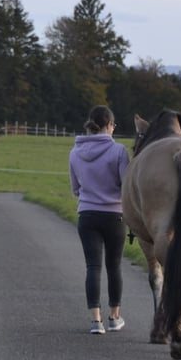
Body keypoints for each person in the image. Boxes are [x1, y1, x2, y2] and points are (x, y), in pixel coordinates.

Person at [69, 105, 130, 335]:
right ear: (110, 126)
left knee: (92, 266)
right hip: (115, 215)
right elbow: (126, 186)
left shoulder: (75, 152)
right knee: (114, 266)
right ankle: (114, 317)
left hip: (87, 215)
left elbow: (75, 188)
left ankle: (96, 321)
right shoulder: (119, 151)